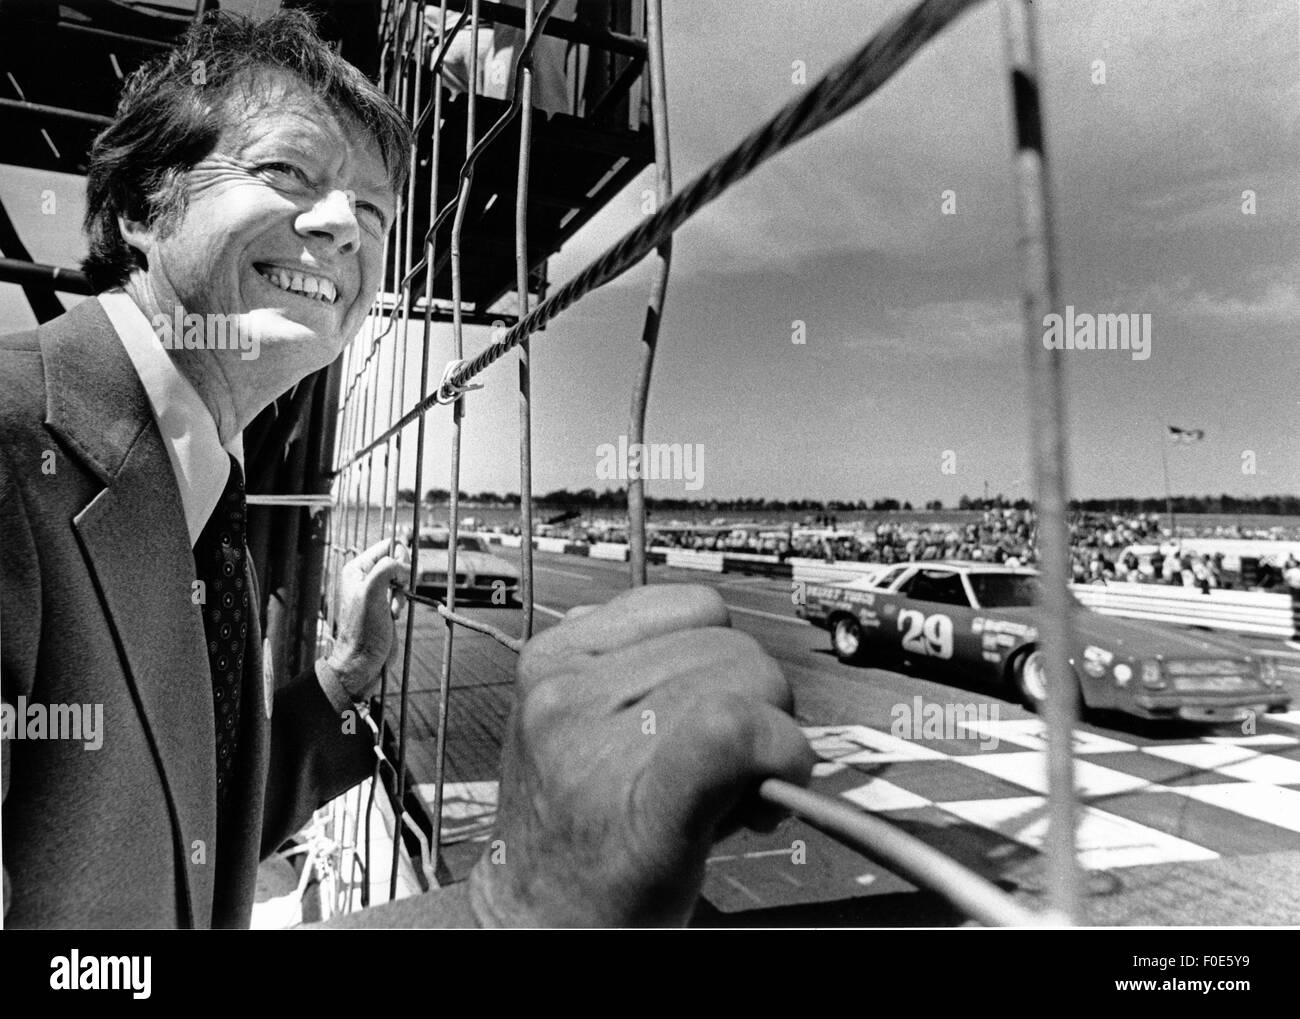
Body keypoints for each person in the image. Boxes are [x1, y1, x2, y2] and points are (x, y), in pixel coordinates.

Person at [0, 11, 811, 929]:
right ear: (144, 206)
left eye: (376, 208)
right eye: (286, 171)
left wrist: (341, 680)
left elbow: (181, 845)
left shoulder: (201, 489)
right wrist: (513, 910)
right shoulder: (13, 454)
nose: (343, 225)